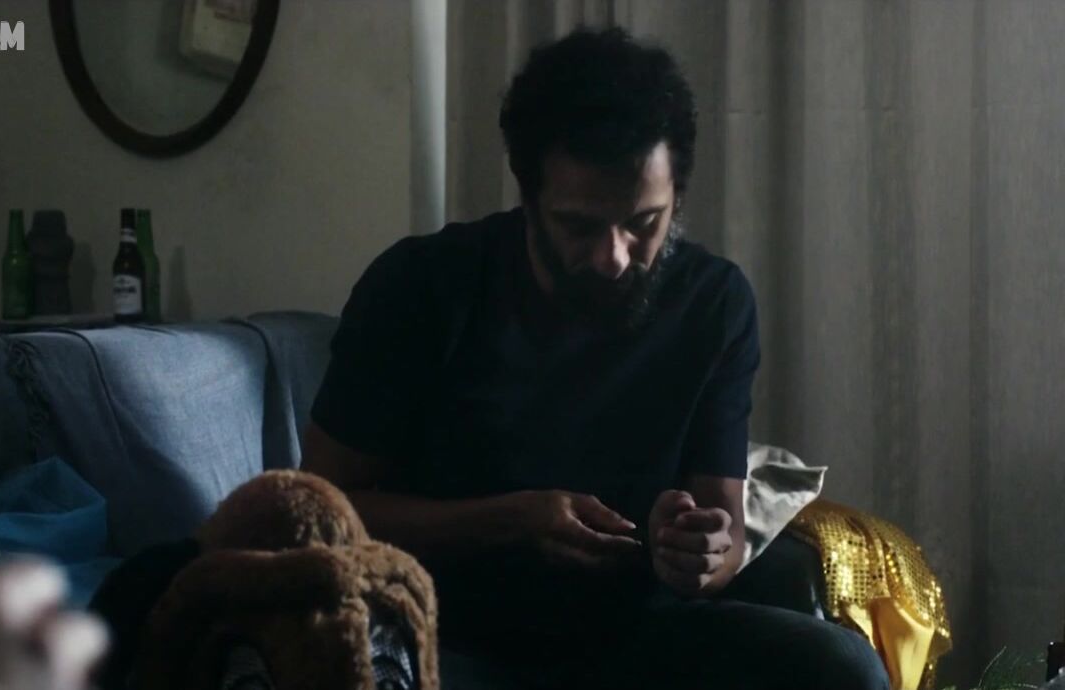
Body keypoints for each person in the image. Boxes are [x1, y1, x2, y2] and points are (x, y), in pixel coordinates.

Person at [302, 27, 889, 690]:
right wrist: (510, 520)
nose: (614, 258)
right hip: (447, 634)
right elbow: (322, 510)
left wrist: (693, 554)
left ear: (676, 198)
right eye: (580, 226)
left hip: (636, 631)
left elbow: (721, 534)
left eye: (644, 223)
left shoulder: (714, 303)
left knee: (845, 670)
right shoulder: (420, 286)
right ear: (529, 198)